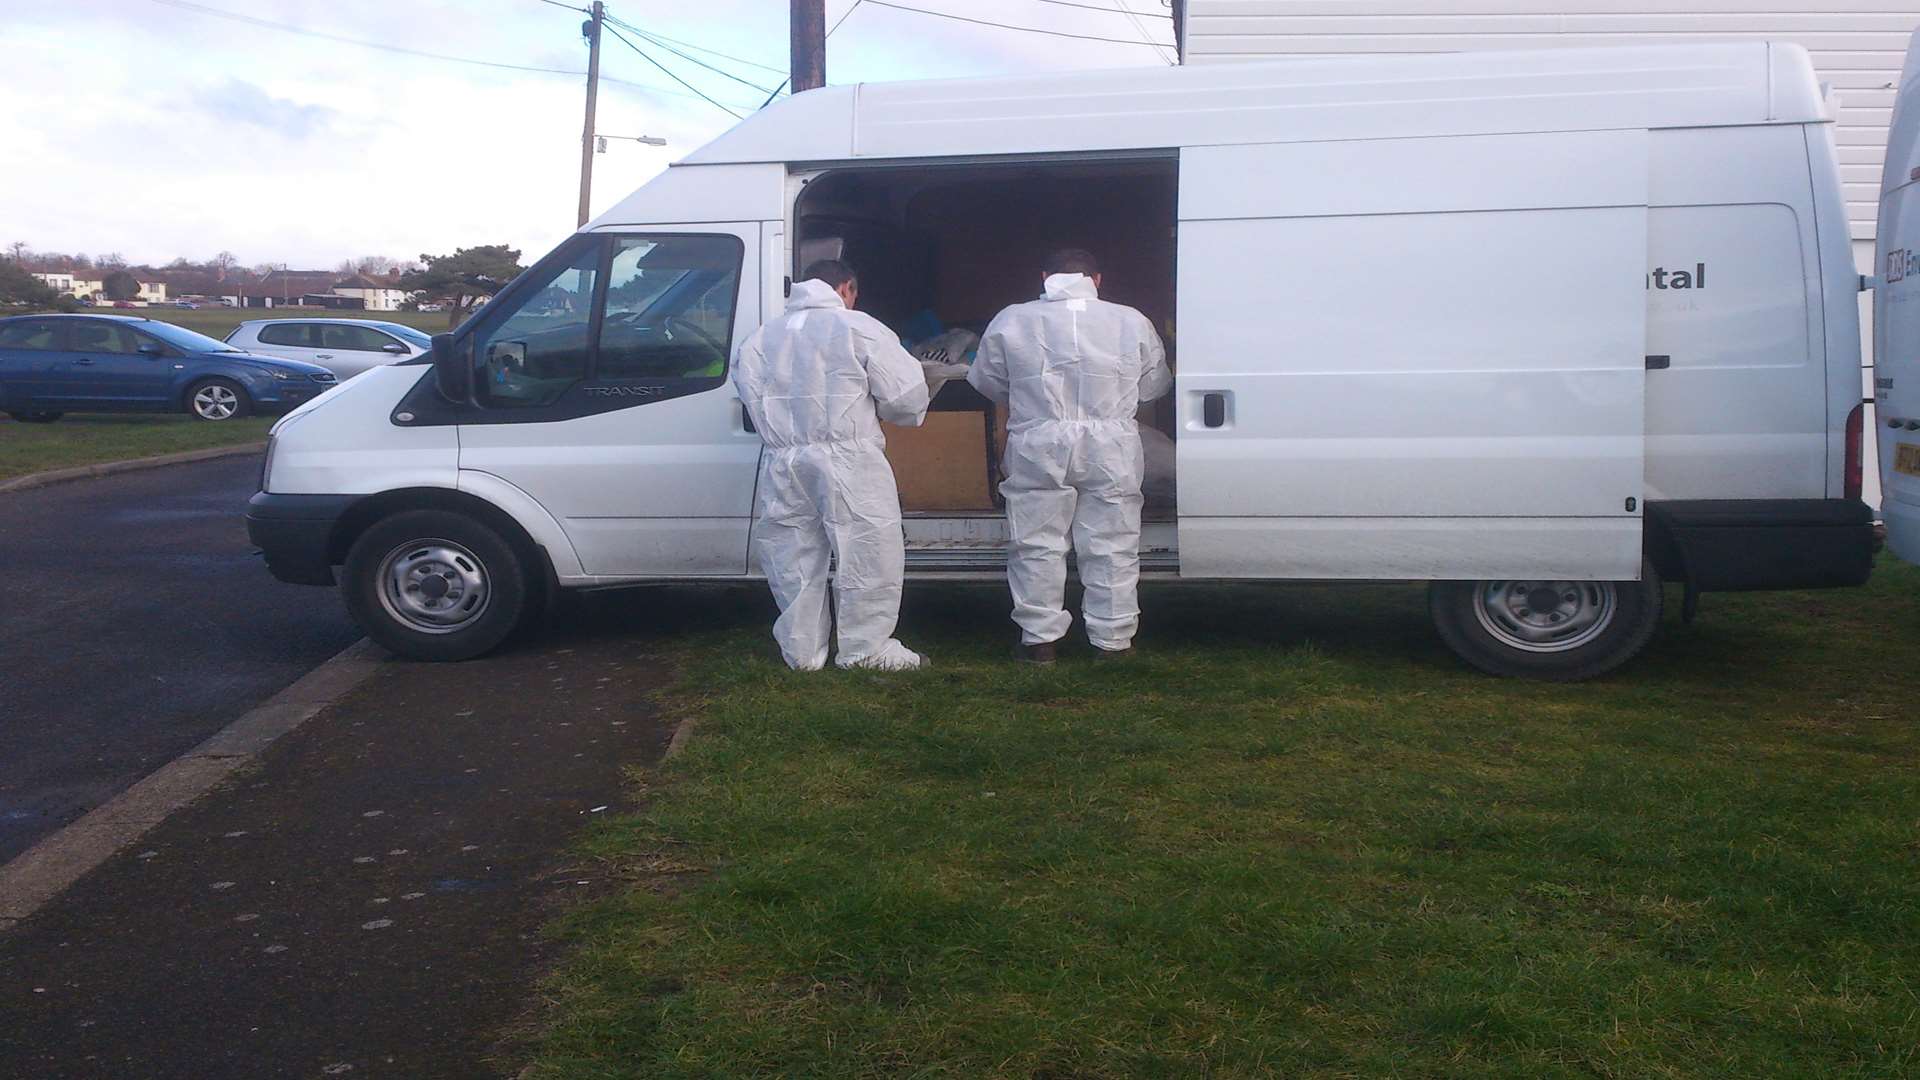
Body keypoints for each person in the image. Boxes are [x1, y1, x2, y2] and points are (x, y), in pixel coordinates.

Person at [968, 249, 1171, 663]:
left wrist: (1033, 405)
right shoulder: (1130, 320)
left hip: (1038, 439)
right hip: (1110, 443)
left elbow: (988, 381)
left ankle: (1039, 642)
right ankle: (1112, 643)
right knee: (1112, 542)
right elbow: (1153, 386)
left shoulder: (1012, 319)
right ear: (1097, 278)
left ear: (1044, 276)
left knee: (1035, 542)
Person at [732, 260, 933, 671]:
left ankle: (802, 652)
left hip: (784, 459)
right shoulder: (860, 328)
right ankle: (866, 650)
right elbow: (906, 399)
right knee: (867, 549)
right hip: (849, 457)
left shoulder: (760, 339)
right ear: (846, 288)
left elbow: (752, 398)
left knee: (792, 554)